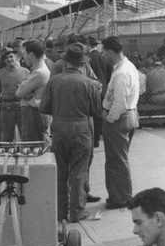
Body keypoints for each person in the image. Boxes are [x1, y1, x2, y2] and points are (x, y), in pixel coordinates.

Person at [40, 43, 102, 223]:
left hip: (59, 129)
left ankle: (60, 213)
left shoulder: (54, 80)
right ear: (82, 64)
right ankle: (77, 212)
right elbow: (96, 111)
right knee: (79, 172)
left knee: (60, 172)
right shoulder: (89, 83)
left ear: (66, 62)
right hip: (81, 129)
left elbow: (44, 107)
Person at [101, 35, 140, 210]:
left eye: (104, 52)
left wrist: (109, 118)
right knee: (118, 159)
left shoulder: (121, 72)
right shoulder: (127, 66)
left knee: (117, 161)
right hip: (130, 115)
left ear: (110, 51)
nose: (102, 55)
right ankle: (118, 195)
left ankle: (122, 198)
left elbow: (120, 102)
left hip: (119, 118)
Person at [0, 46, 29, 141]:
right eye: (6, 58)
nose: (9, 59)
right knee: (6, 136)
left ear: (16, 57)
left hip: (22, 106)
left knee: (25, 135)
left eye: (11, 56)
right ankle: (7, 155)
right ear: (4, 60)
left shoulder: (25, 72)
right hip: (6, 108)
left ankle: (26, 154)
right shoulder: (0, 74)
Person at [15, 39, 50, 141]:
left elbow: (19, 92)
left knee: (32, 146)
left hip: (34, 114)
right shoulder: (38, 70)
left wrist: (25, 92)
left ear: (31, 55)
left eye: (25, 54)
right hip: (35, 113)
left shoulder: (38, 73)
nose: (24, 57)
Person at [87, 36, 110, 147]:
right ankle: (100, 135)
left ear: (87, 45)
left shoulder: (88, 58)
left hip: (94, 89)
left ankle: (95, 139)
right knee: (100, 114)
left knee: (94, 115)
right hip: (104, 88)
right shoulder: (102, 56)